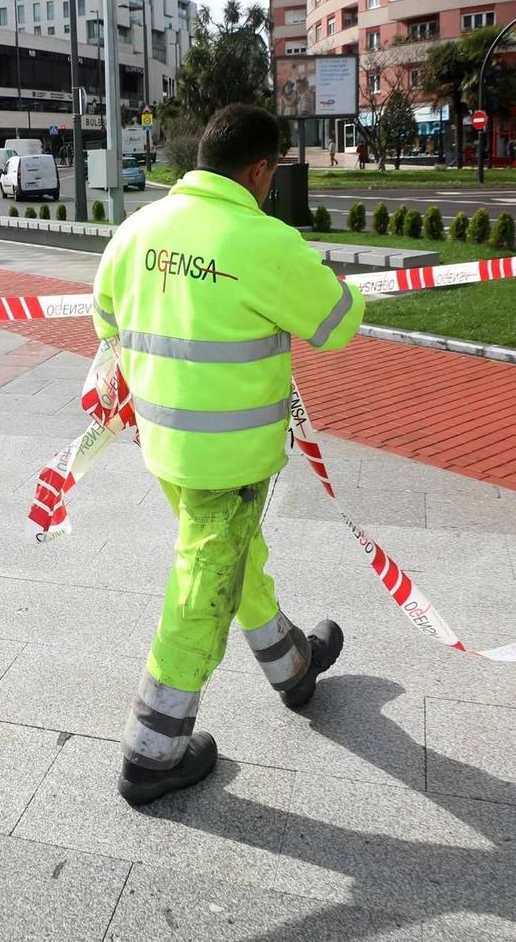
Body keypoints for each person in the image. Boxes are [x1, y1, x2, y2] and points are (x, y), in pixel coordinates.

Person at [90, 103, 364, 806]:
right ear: (260, 169)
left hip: (165, 446)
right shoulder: (262, 238)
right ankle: (153, 752)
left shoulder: (138, 229)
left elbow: (106, 319)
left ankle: (292, 665)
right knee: (200, 588)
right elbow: (339, 322)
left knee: (232, 558)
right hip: (233, 457)